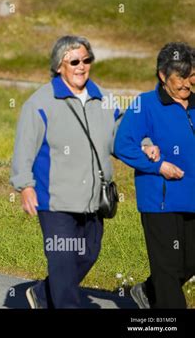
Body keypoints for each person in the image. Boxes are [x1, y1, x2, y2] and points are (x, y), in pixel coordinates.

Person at [10, 35, 126, 308]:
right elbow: (24, 148)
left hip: (93, 198)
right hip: (55, 199)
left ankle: (43, 293)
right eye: (74, 61)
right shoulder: (40, 102)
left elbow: (124, 135)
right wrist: (25, 186)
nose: (81, 66)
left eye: (87, 60)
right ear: (59, 65)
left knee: (87, 255)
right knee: (63, 261)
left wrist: (146, 146)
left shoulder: (104, 99)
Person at [115, 42, 195, 308]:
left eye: (190, 76)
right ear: (163, 75)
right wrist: (158, 166)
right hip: (161, 201)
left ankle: (148, 292)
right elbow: (122, 144)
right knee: (168, 270)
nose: (186, 84)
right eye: (179, 77)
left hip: (192, 198)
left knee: (188, 263)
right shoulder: (145, 104)